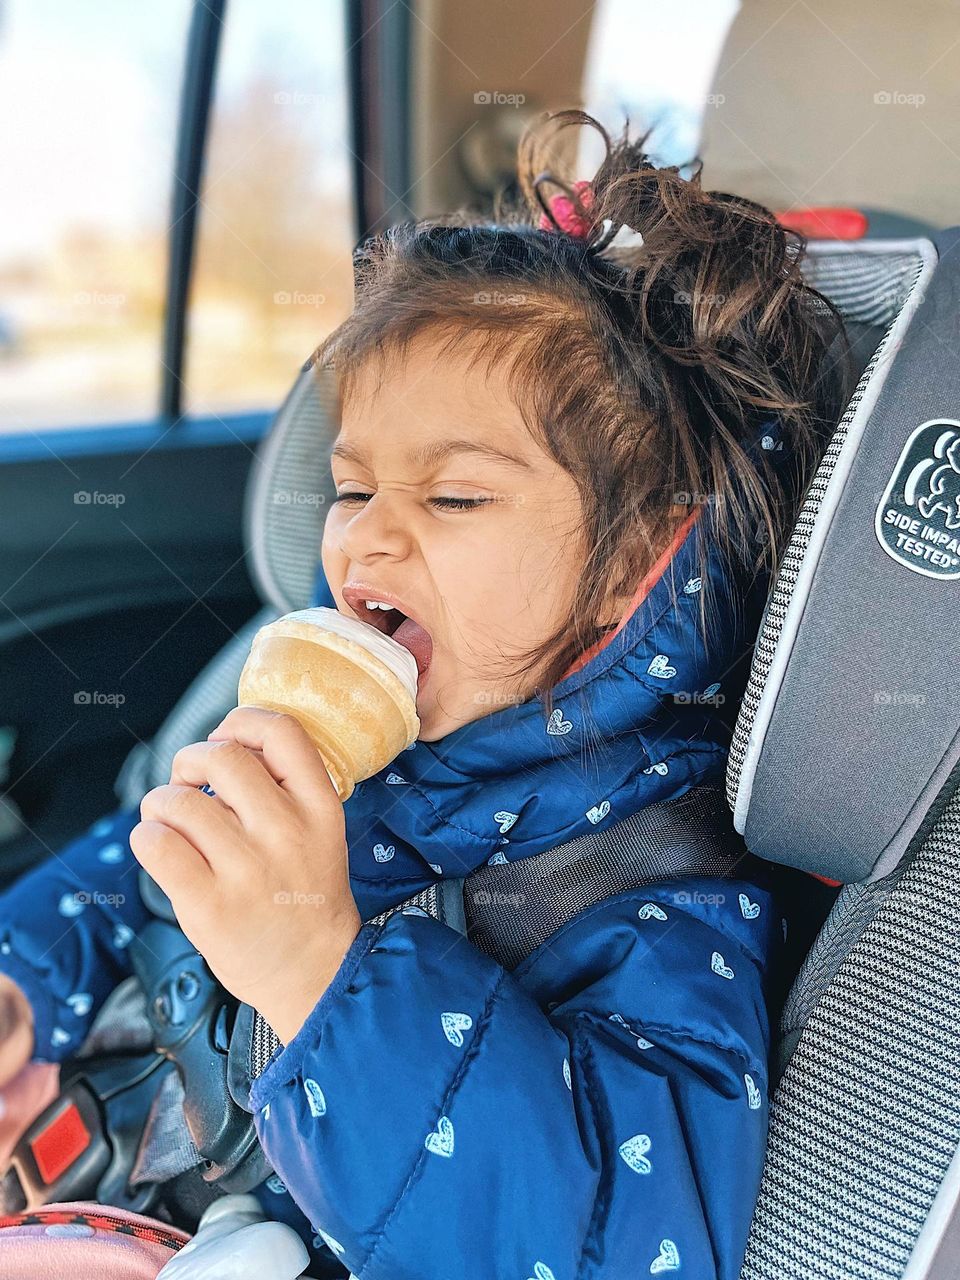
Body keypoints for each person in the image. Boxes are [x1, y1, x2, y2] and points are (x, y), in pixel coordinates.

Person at [0, 109, 851, 1278]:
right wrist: (27, 975)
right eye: (352, 490)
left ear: (623, 568)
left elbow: (606, 1242)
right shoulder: (355, 721)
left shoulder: (659, 901)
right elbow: (153, 855)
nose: (364, 543)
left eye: (453, 500)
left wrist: (320, 972)